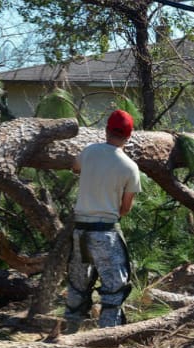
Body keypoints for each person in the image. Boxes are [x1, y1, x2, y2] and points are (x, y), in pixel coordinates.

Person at [64, 109, 141, 331]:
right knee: (114, 288)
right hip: (106, 232)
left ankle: (69, 332)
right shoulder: (130, 167)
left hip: (80, 231)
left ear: (106, 131)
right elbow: (125, 209)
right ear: (129, 136)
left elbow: (75, 168)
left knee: (78, 284)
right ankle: (107, 337)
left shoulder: (89, 151)